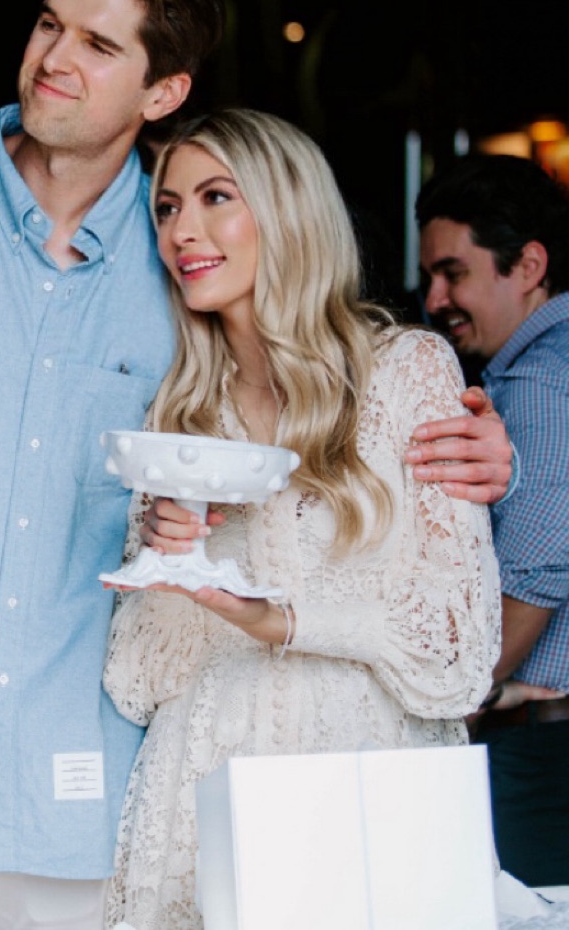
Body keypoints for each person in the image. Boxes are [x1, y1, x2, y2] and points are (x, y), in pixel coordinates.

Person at [0, 0, 512, 930]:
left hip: (93, 799)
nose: (54, 59)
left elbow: (310, 389)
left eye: (99, 46)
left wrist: (464, 447)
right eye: (49, 25)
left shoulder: (190, 265)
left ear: (162, 91)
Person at [101, 108, 502, 930]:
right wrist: (171, 559)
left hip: (367, 778)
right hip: (199, 790)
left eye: (215, 197)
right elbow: (137, 680)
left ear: (288, 208)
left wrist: (279, 619)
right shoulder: (178, 416)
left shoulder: (407, 371)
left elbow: (458, 649)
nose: (182, 230)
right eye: (168, 208)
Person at [416, 152, 569, 888]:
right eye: (430, 277)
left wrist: (465, 695)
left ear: (529, 265)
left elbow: (539, 566)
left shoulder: (540, 379)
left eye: (454, 273)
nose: (434, 298)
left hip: (540, 751)